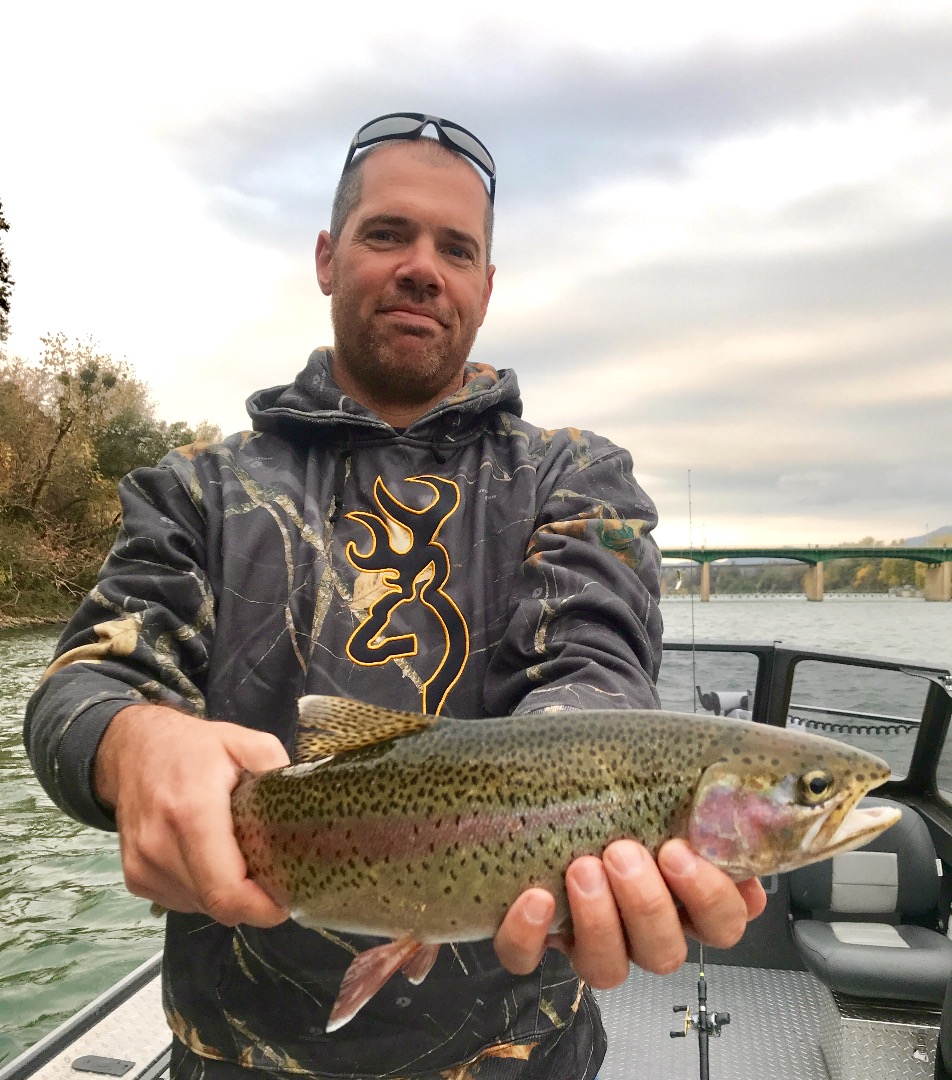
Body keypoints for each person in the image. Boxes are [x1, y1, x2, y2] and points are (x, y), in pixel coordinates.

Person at [25, 112, 765, 1080]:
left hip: (521, 1051)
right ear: (328, 257)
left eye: (455, 248)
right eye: (388, 234)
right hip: (238, 1054)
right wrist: (129, 744)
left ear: (487, 287)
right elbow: (79, 688)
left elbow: (596, 669)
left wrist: (606, 817)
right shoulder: (192, 489)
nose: (423, 266)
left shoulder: (578, 478)